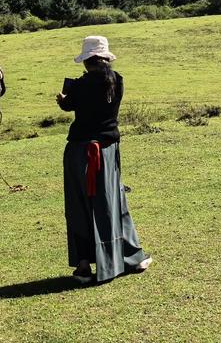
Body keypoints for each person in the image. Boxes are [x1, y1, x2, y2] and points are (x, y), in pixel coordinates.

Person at [56, 35, 150, 284]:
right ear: (106, 58)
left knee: (79, 206)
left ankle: (84, 265)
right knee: (111, 204)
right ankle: (122, 259)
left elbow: (69, 107)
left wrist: (63, 101)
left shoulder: (78, 86)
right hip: (106, 149)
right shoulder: (116, 81)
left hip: (79, 151)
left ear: (87, 61)